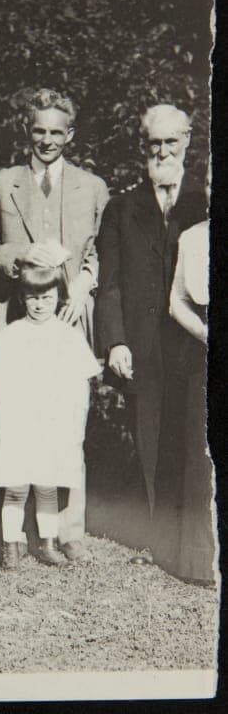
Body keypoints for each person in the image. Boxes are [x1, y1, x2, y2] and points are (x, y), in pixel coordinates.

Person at [0, 88, 109, 561]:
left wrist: (83, 286)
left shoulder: (92, 187)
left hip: (69, 320)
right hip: (20, 320)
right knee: (17, 421)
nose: (48, 140)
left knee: (66, 419)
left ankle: (66, 531)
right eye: (40, 130)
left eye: (57, 132)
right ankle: (13, 534)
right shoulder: (0, 184)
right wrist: (19, 255)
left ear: (70, 135)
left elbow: (98, 252)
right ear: (27, 131)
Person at [95, 104, 206, 564]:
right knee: (148, 429)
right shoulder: (121, 208)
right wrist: (115, 340)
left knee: (190, 431)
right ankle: (152, 531)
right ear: (144, 146)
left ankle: (188, 534)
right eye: (154, 143)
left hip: (192, 342)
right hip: (141, 340)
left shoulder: (204, 200)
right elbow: (111, 282)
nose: (162, 150)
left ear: (187, 143)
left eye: (171, 142)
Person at [0, 264, 101, 570]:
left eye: (46, 297)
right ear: (22, 298)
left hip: (53, 420)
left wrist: (77, 421)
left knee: (47, 484)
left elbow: (80, 384)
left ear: (58, 297)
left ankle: (47, 543)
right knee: (16, 486)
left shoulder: (68, 336)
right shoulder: (12, 334)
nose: (39, 304)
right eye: (32, 298)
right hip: (18, 420)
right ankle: (11, 545)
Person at [151, 183, 215, 585]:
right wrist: (208, 335)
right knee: (202, 455)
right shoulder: (193, 238)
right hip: (202, 354)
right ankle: (200, 561)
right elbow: (176, 300)